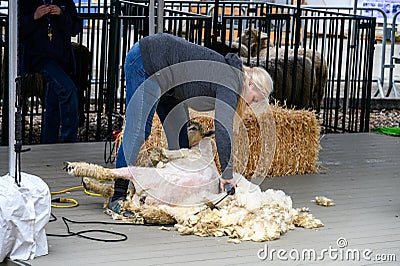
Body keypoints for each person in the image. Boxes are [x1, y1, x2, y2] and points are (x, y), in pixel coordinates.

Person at [108, 33, 273, 216]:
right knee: (138, 130)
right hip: (148, 62)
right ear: (250, 84)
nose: (250, 104)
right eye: (254, 99)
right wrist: (227, 175)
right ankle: (118, 197)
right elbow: (223, 129)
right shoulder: (232, 81)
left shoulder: (232, 77)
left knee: (180, 142)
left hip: (169, 83)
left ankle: (172, 195)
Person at [19, 0, 83, 143]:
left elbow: (75, 28)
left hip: (61, 58)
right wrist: (34, 17)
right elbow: (17, 29)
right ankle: (69, 141)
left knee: (53, 101)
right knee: (68, 90)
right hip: (39, 57)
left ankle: (49, 142)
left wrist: (62, 14)